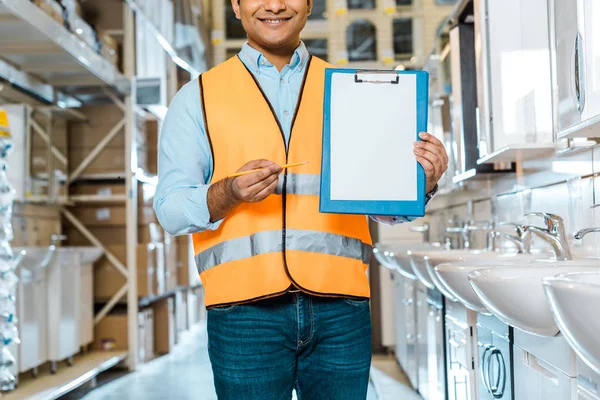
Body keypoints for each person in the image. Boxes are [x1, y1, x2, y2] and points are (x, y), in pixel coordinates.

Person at [153, 0, 449, 396]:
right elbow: (170, 210)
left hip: (340, 311)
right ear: (236, 6)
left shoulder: (353, 91)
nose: (275, 5)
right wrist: (227, 193)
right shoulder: (198, 97)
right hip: (243, 314)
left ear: (310, 5)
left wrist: (421, 182)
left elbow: (384, 207)